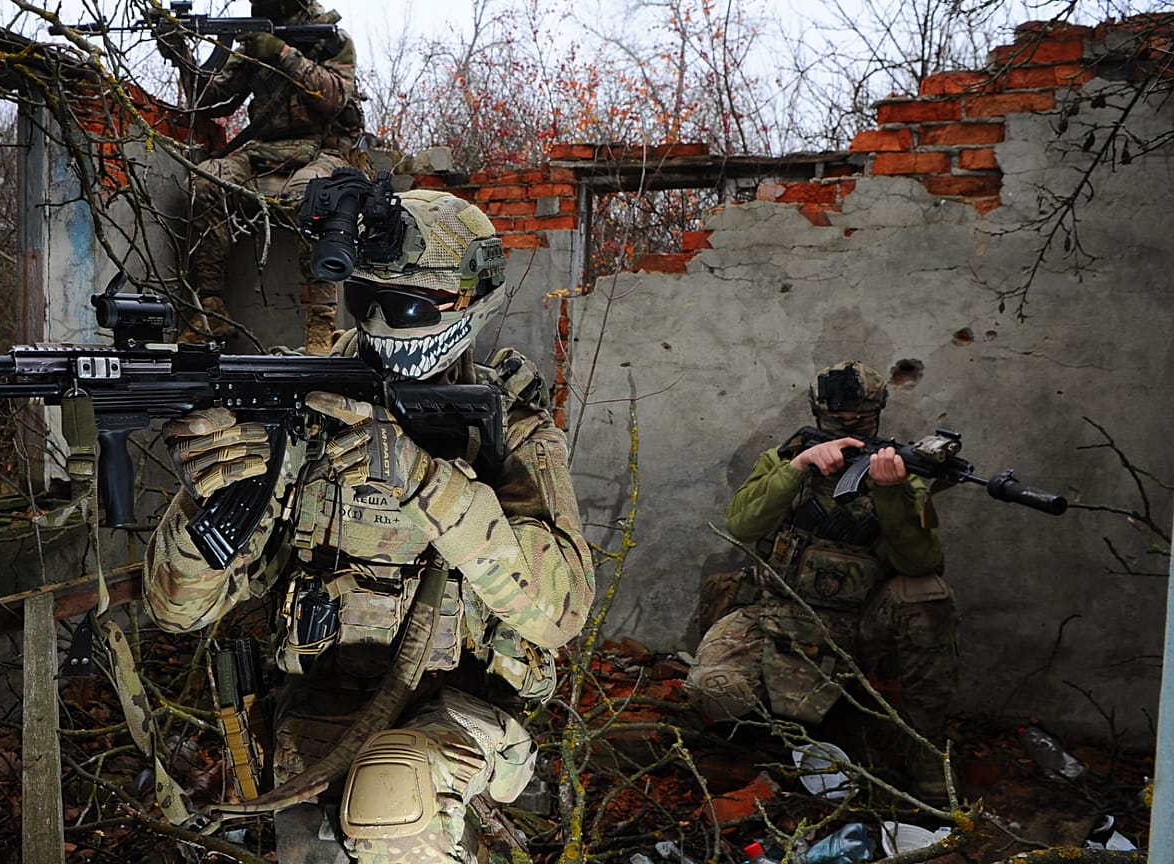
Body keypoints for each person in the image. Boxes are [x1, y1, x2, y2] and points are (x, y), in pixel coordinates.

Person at [144, 188, 595, 862]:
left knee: (393, 798)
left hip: (465, 719)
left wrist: (426, 483)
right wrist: (209, 504)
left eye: (410, 306)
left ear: (472, 302)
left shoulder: (514, 432)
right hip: (317, 719)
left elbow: (560, 611)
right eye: (367, 299)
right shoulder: (298, 409)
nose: (385, 323)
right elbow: (175, 612)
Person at [683, 361, 958, 801]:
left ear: (878, 414)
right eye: (835, 422)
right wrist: (799, 469)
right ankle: (770, 741)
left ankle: (924, 753)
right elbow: (742, 524)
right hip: (774, 613)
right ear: (817, 414)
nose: (847, 429)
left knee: (929, 593)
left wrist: (890, 491)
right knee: (713, 692)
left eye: (860, 421)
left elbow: (920, 561)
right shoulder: (784, 457)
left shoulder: (902, 473)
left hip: (858, 624)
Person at [160, 0, 364, 354]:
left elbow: (333, 97)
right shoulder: (258, 38)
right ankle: (211, 309)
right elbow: (211, 101)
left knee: (315, 196)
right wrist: (180, 54)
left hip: (321, 150)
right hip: (263, 150)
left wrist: (282, 53)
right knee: (207, 183)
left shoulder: (331, 39)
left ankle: (322, 322)